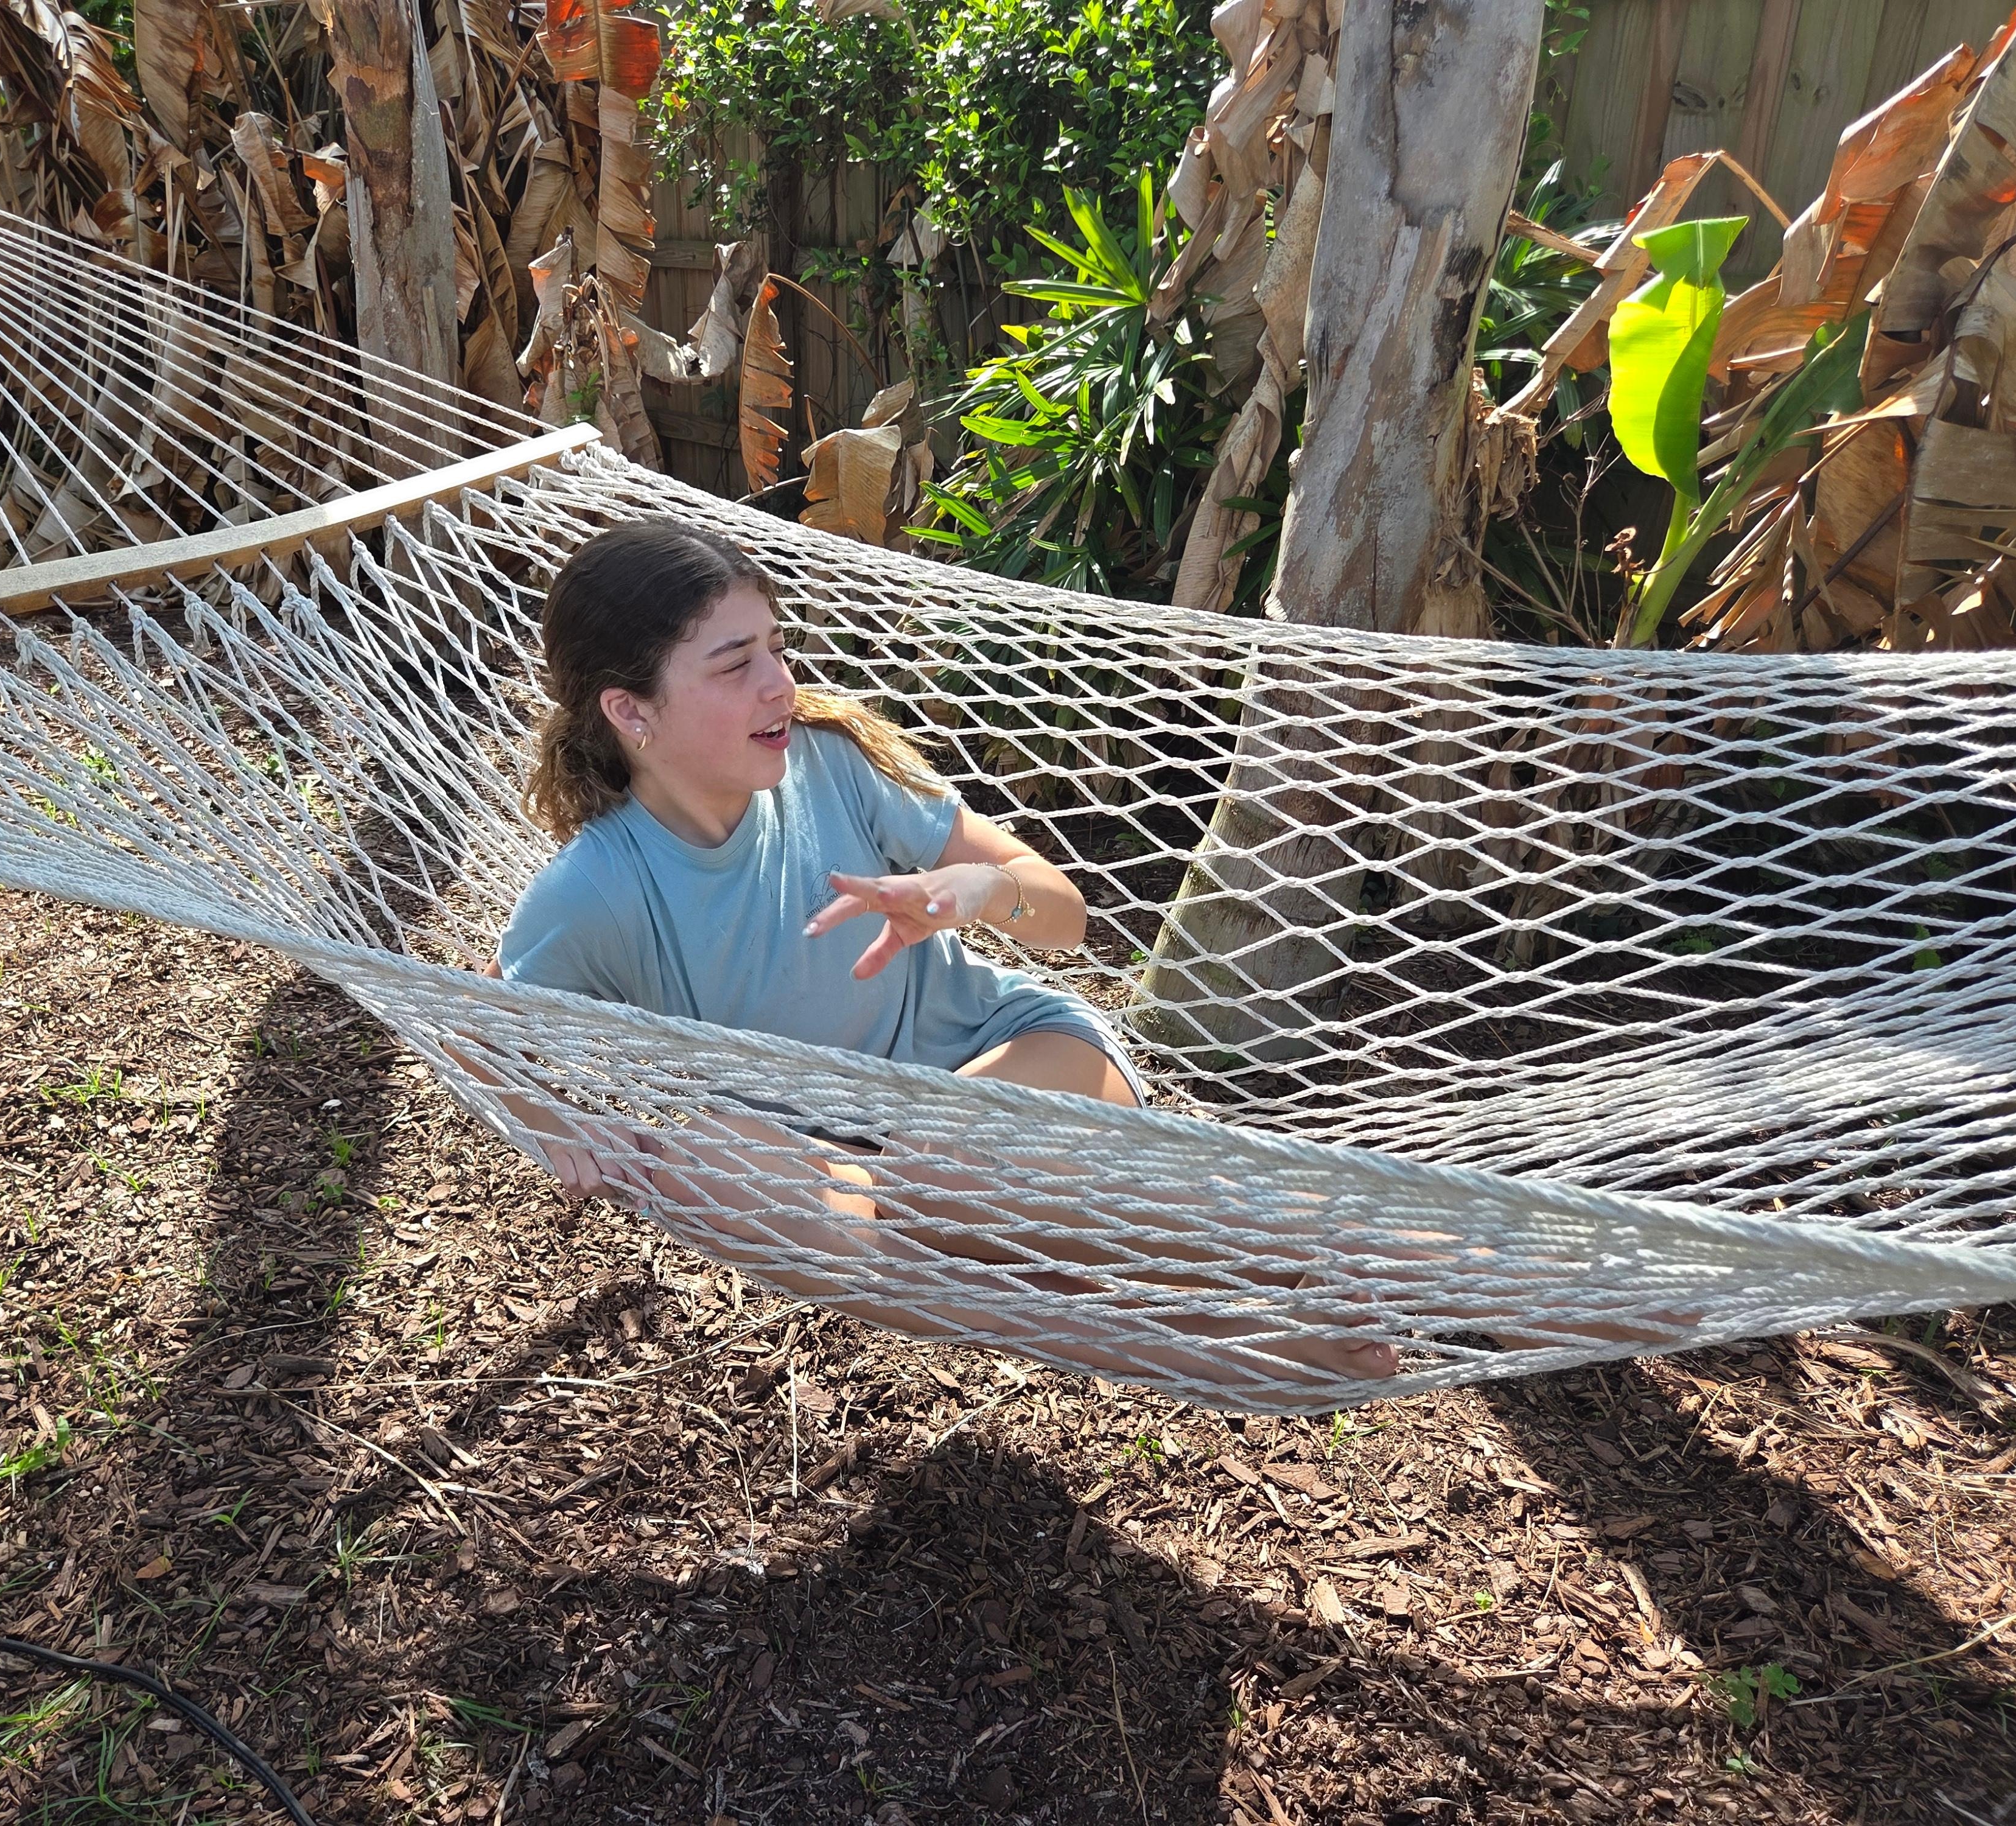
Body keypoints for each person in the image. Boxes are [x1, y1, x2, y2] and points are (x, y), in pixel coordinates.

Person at [483, 518, 1401, 1394]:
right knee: (728, 1164)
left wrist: (983, 894)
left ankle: (1339, 1248)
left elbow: (1067, 918)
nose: (780, 684)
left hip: (1017, 1065)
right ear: (630, 713)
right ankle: (1267, 1347)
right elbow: (482, 1026)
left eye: (775, 646)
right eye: (736, 666)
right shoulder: (600, 886)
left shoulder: (831, 765)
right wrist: (555, 1123)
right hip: (853, 1155)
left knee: (938, 1178)